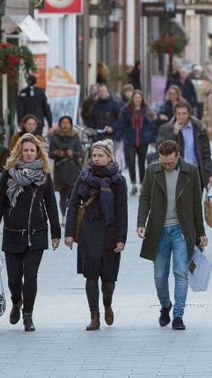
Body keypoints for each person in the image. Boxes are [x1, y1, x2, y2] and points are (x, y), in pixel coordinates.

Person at [0, 134, 61, 332]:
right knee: (13, 278)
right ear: (19, 152)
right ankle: (16, 302)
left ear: (38, 153)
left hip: (36, 232)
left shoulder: (44, 175)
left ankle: (28, 315)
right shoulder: (9, 174)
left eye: (32, 150)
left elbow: (51, 204)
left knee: (30, 276)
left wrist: (56, 233)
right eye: (25, 150)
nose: (28, 154)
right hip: (13, 233)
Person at [137, 140, 208, 330]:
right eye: (163, 162)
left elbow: (196, 205)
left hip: (181, 230)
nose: (166, 165)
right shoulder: (152, 171)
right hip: (158, 230)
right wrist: (141, 224)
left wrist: (201, 233)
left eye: (169, 162)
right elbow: (144, 198)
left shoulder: (191, 172)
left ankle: (178, 316)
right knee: (160, 275)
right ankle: (165, 305)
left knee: (180, 272)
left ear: (177, 155)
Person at [65, 140, 128, 331]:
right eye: (94, 155)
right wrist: (69, 234)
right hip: (89, 231)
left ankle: (107, 303)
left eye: (101, 155)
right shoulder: (84, 177)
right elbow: (73, 204)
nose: (97, 158)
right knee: (90, 276)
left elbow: (122, 211)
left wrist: (121, 238)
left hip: (110, 232)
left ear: (109, 157)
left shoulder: (118, 181)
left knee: (108, 280)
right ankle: (94, 316)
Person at [157, 101, 212, 189]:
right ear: (174, 114)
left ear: (189, 114)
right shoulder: (166, 128)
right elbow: (162, 150)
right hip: (176, 173)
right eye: (178, 114)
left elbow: (206, 154)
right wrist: (174, 134)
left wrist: (211, 174)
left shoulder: (200, 128)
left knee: (196, 202)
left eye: (184, 113)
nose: (181, 116)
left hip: (196, 172)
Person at [115, 91, 159, 195]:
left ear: (142, 99)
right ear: (132, 99)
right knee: (130, 162)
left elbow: (152, 126)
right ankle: (133, 184)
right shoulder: (126, 110)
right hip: (129, 140)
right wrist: (118, 136)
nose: (137, 100)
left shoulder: (147, 111)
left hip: (143, 140)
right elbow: (121, 124)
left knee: (141, 162)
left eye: (139, 98)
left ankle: (142, 184)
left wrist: (152, 139)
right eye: (135, 98)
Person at [49, 116, 84, 215]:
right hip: (60, 171)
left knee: (72, 196)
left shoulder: (75, 136)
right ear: (59, 124)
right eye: (63, 123)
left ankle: (71, 215)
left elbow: (80, 153)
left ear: (71, 125)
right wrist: (56, 153)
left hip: (73, 170)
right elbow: (50, 153)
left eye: (67, 123)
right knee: (62, 196)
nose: (65, 125)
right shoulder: (54, 136)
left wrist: (72, 153)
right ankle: (63, 216)